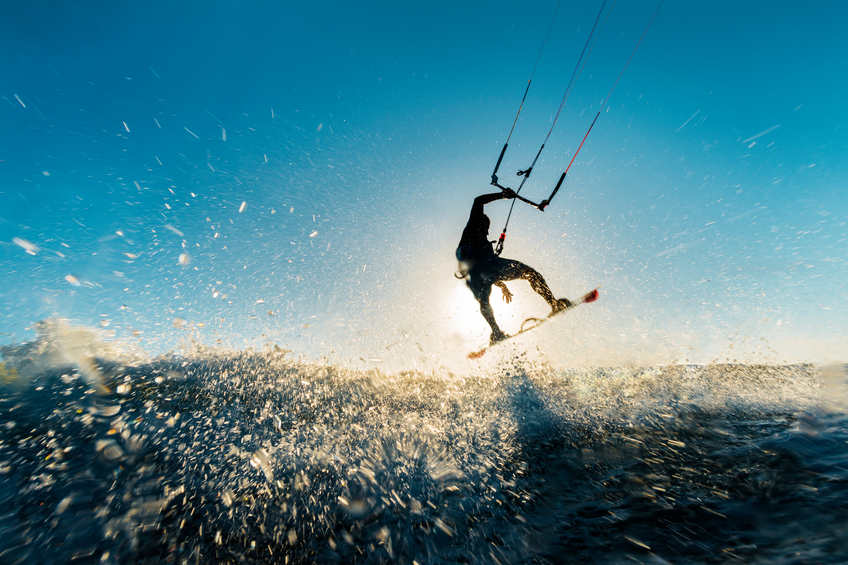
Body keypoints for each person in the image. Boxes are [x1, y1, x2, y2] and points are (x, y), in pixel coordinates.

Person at [456, 189, 572, 344]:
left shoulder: (485, 244)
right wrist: (502, 195)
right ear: (482, 223)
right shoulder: (474, 224)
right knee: (486, 299)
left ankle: (552, 304)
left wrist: (501, 284)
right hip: (475, 264)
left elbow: (488, 272)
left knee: (529, 274)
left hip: (484, 270)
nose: (487, 231)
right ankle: (496, 331)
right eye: (486, 227)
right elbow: (478, 200)